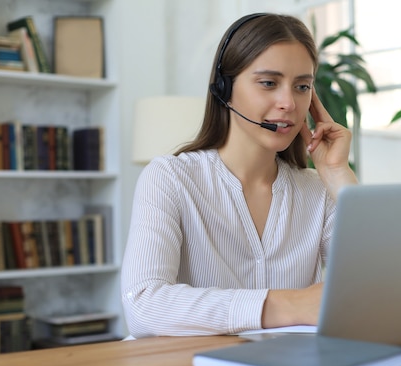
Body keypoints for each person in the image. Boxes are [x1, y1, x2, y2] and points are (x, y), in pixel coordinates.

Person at [120, 13, 358, 338]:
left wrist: (336, 174)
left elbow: (380, 290)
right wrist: (287, 305)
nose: (289, 103)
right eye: (269, 83)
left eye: (302, 86)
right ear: (225, 89)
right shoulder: (170, 178)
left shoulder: (317, 191)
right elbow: (144, 305)